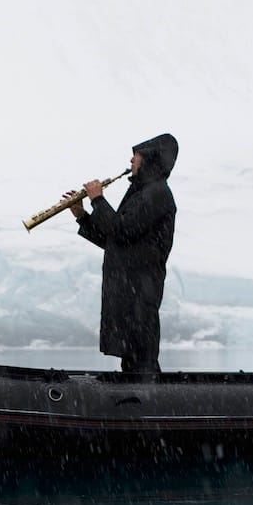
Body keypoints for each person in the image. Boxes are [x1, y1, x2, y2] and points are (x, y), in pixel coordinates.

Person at [67, 133, 178, 375]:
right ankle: (135, 402)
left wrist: (98, 200)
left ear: (149, 160)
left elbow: (121, 230)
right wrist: (83, 216)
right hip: (129, 290)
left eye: (136, 156)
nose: (131, 160)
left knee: (142, 358)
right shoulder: (142, 193)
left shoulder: (156, 193)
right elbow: (115, 240)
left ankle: (147, 402)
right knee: (132, 358)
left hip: (140, 289)